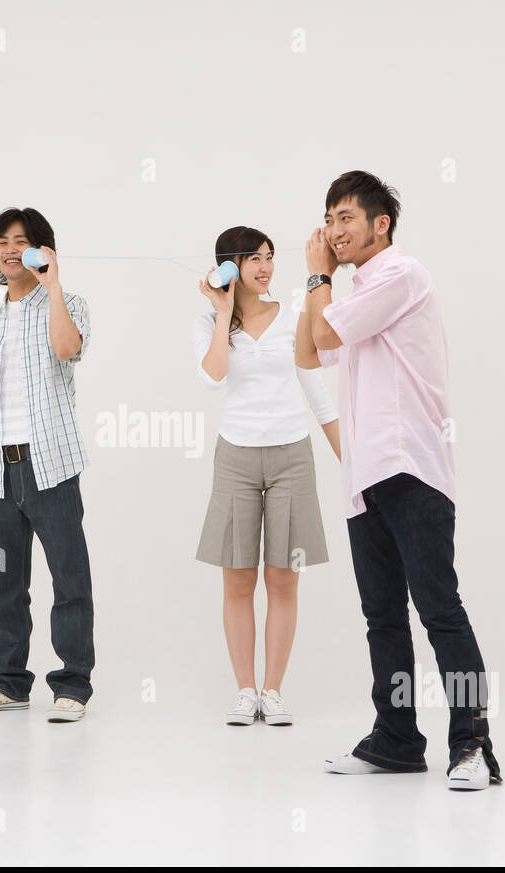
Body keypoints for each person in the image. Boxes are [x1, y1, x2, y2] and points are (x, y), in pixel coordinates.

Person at [295, 170, 504, 790]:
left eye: (345, 218)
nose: (334, 231)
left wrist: (315, 279)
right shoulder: (354, 291)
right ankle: (396, 738)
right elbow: (309, 354)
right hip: (365, 477)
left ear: (380, 224)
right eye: (329, 220)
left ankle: (472, 745)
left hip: (411, 466)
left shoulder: (401, 276)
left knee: (441, 610)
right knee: (382, 617)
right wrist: (322, 287)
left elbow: (323, 331)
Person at [0, 207, 95, 723]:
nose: (10, 249)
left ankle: (73, 684)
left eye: (22, 241)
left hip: (51, 464)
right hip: (0, 466)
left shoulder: (69, 304)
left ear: (42, 249)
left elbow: (65, 348)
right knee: (5, 581)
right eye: (2, 242)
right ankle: (9, 682)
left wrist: (53, 284)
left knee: (68, 577)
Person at [195, 227, 340, 726]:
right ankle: (245, 690)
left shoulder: (293, 319)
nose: (265, 267)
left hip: (291, 457)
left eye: (269, 257)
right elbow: (212, 375)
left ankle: (273, 691)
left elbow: (317, 391)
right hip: (235, 457)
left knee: (283, 580)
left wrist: (352, 459)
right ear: (228, 267)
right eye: (252, 258)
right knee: (237, 581)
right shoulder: (209, 322)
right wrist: (220, 312)